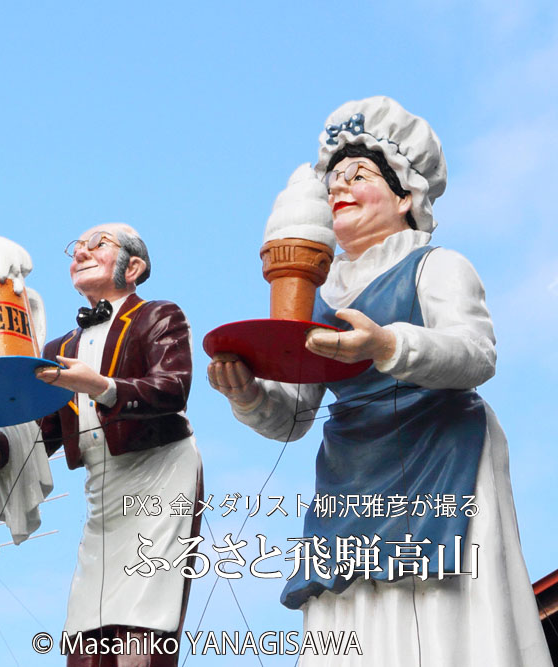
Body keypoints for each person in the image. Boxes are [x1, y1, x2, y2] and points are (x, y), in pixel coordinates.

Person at [208, 96, 550, 665]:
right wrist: (247, 395)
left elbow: (476, 353)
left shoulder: (435, 266)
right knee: (348, 604)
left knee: (439, 607)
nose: (340, 187)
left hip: (439, 456)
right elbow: (294, 417)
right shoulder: (319, 297)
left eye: (360, 175)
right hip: (351, 468)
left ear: (405, 196)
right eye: (334, 179)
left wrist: (387, 345)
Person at [0, 224, 203, 667]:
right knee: (87, 623)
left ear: (133, 267)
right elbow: (38, 438)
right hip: (102, 489)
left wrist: (101, 386)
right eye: (76, 247)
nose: (81, 252)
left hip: (161, 475)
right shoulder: (60, 347)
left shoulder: (158, 316)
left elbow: (172, 388)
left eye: (97, 244)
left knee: (143, 615)